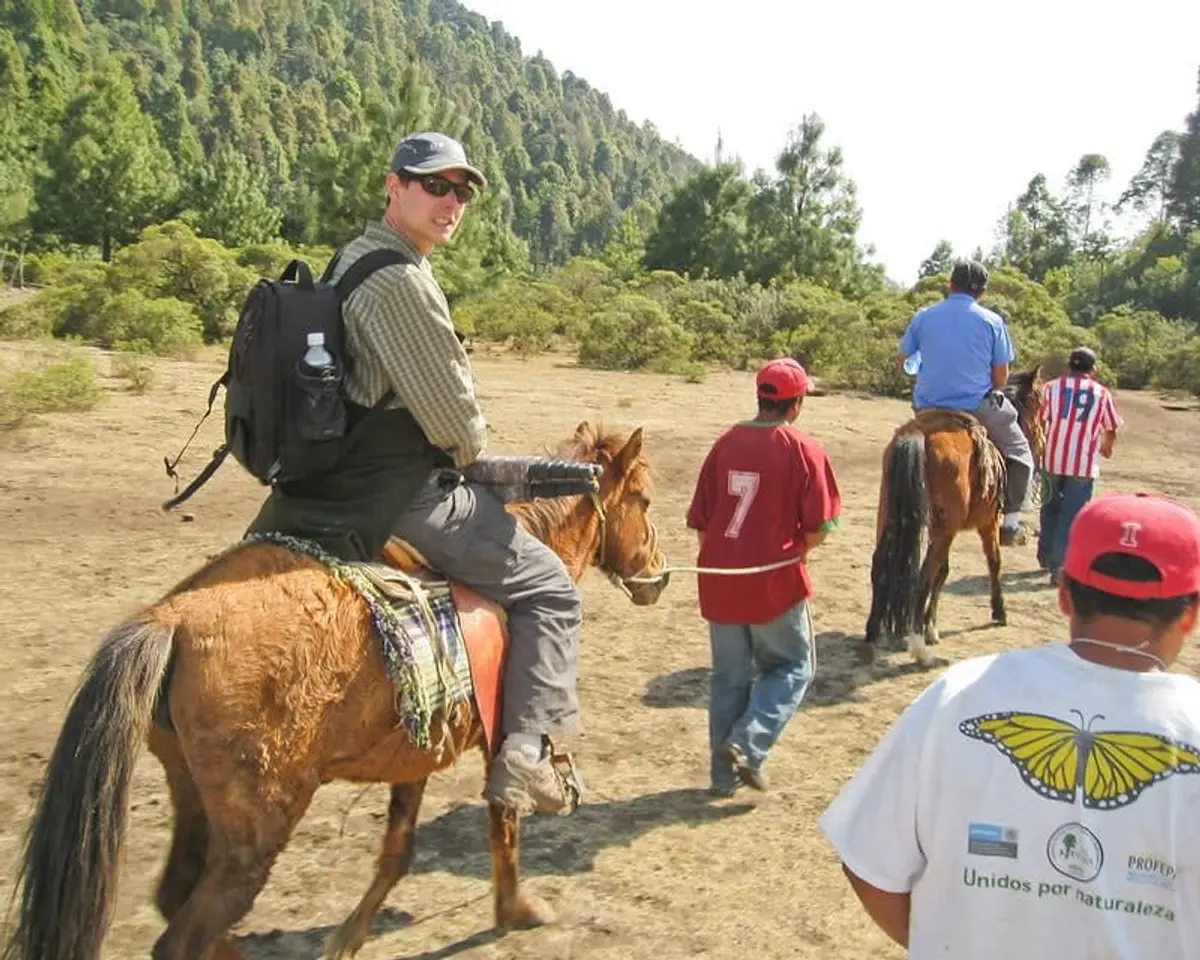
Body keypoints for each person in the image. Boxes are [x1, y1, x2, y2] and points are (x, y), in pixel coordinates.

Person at [245, 131, 584, 817]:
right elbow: (456, 429)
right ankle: (527, 756)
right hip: (396, 495)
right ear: (393, 185)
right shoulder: (401, 281)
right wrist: (470, 452)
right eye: (434, 185)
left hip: (319, 487)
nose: (450, 202)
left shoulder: (354, 258)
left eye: (461, 191)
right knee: (550, 588)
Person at [820, 491, 1200, 959]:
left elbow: (869, 864)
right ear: (1190, 614)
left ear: (1064, 595)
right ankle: (1011, 510)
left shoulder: (958, 693)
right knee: (1014, 463)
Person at [685, 358, 841, 796]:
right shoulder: (803, 448)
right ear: (797, 403)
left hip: (719, 578)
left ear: (760, 397)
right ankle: (748, 743)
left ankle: (723, 779)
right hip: (774, 581)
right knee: (792, 666)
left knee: (728, 677)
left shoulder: (725, 443)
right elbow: (820, 527)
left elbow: (702, 524)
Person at [898, 260, 1034, 545]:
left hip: (927, 407)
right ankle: (1010, 522)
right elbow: (1001, 377)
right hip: (975, 407)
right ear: (982, 292)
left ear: (950, 285)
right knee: (1021, 452)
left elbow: (903, 362)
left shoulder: (924, 317)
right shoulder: (993, 322)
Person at [1038, 346, 1123, 584]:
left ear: (1069, 366)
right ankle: (1059, 566)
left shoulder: (1050, 388)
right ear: (1092, 369)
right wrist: (1106, 447)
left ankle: (1045, 554)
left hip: (1051, 459)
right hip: (1082, 464)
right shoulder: (1101, 393)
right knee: (1072, 515)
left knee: (1049, 507)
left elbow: (1039, 421)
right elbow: (1111, 427)